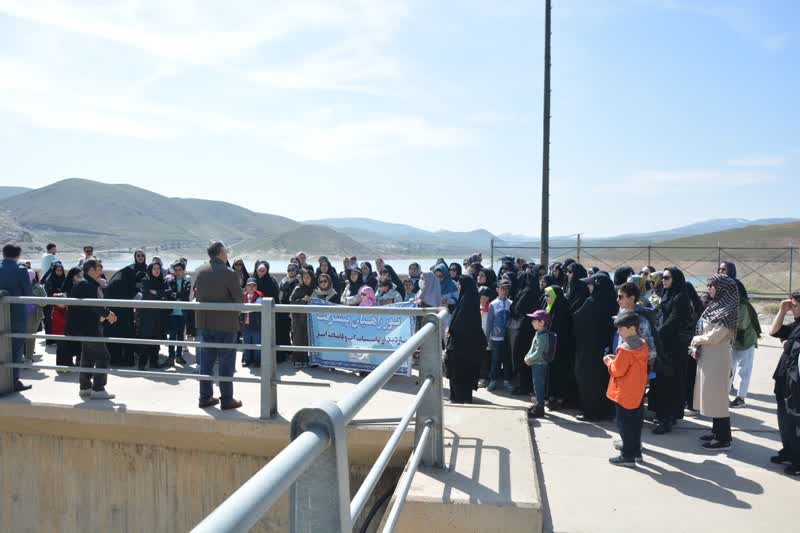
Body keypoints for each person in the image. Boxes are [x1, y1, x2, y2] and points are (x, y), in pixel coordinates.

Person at [193, 241, 245, 410]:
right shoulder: (229, 273)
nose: (227, 254)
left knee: (206, 363)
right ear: (221, 253)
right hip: (226, 325)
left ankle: (205, 397)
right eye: (226, 251)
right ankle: (227, 399)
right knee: (226, 364)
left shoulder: (200, 271)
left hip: (205, 323)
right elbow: (239, 301)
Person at [690, 274, 739, 451]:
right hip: (708, 357)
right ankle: (716, 431)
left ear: (722, 288)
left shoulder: (729, 309)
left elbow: (716, 336)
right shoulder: (715, 306)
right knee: (710, 395)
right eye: (708, 285)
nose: (709, 289)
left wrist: (697, 339)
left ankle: (724, 439)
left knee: (718, 397)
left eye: (712, 286)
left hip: (717, 359)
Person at [650, 267, 695, 434]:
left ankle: (667, 419)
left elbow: (674, 321)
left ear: (675, 279)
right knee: (663, 382)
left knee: (670, 383)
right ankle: (666, 416)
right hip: (665, 346)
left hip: (674, 348)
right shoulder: (668, 294)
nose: (663, 280)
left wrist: (656, 334)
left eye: (667, 278)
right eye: (663, 277)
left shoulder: (681, 297)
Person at [67, 258, 117, 400]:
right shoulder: (86, 284)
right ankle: (98, 389)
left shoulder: (85, 282)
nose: (101, 270)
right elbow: (94, 304)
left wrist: (105, 314)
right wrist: (108, 314)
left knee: (87, 357)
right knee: (103, 356)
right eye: (99, 267)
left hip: (84, 326)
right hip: (88, 327)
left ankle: (85, 388)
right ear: (90, 270)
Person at [605, 312, 649, 467]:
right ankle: (636, 453)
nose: (618, 332)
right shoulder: (642, 344)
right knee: (635, 424)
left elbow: (617, 371)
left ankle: (627, 456)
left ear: (632, 329)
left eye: (621, 329)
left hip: (624, 393)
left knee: (624, 426)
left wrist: (609, 362)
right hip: (637, 391)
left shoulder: (625, 349)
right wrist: (616, 360)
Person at [572, 273, 616, 421]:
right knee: (603, 378)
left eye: (591, 285)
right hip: (606, 348)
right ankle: (604, 410)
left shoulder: (592, 302)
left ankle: (591, 412)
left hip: (589, 349)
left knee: (588, 379)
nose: (589, 287)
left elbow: (578, 318)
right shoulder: (612, 301)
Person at [768, 292, 800, 476]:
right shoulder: (796, 324)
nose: (792, 308)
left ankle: (798, 461)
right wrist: (781, 311)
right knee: (784, 419)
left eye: (795, 305)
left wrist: (788, 344)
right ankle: (789, 451)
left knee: (796, 420)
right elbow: (773, 332)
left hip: (796, 382)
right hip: (784, 377)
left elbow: (792, 347)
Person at [445, 276, 487, 404]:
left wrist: (450, 329)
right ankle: (465, 397)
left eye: (459, 284)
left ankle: (457, 398)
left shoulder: (466, 301)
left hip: (460, 345)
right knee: (467, 370)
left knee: (458, 370)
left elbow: (459, 323)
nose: (457, 286)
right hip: (470, 345)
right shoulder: (470, 299)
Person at [105, 250, 147, 366]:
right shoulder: (129, 272)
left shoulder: (125, 273)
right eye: (138, 255)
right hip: (121, 307)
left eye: (142, 255)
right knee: (126, 330)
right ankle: (127, 359)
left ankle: (120, 358)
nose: (140, 257)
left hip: (119, 306)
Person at [0, 244, 33, 392]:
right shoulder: (20, 270)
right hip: (17, 315)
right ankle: (14, 381)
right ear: (18, 255)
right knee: (16, 348)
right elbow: (28, 294)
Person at [507, 271, 542, 396]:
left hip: (522, 330)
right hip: (531, 329)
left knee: (521, 357)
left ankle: (524, 386)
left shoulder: (526, 293)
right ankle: (526, 385)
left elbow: (517, 308)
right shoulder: (535, 292)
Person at [729, 278, 760, 408]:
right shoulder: (731, 304)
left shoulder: (743, 305)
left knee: (744, 371)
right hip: (734, 341)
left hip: (746, 341)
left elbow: (741, 325)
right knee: (728, 369)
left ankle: (740, 398)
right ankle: (723, 394)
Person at [544, 285, 576, 409]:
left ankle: (559, 398)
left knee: (559, 372)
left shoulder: (562, 309)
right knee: (551, 372)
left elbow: (561, 330)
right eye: (545, 295)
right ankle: (551, 396)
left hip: (561, 348)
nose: (546, 298)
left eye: (548, 295)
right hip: (552, 347)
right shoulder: (550, 308)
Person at [137, 262, 169, 370]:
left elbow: (168, 293)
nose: (156, 270)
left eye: (158, 268)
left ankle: (153, 363)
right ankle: (142, 365)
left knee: (156, 341)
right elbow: (146, 294)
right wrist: (160, 294)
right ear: (150, 270)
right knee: (145, 341)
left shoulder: (163, 281)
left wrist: (156, 293)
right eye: (154, 268)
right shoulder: (145, 280)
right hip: (147, 316)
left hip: (159, 316)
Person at [525, 310, 555, 418]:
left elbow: (539, 352)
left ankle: (539, 409)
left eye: (534, 320)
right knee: (536, 385)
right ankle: (537, 405)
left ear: (542, 322)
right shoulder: (538, 333)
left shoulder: (543, 336)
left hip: (539, 364)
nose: (532, 322)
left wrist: (529, 359)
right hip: (535, 363)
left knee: (539, 386)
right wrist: (527, 356)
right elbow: (532, 348)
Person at [485, 280, 513, 392]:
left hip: (508, 337)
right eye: (502, 288)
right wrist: (487, 338)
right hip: (496, 337)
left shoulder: (511, 303)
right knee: (495, 359)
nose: (504, 291)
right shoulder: (493, 304)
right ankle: (493, 380)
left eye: (507, 288)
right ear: (497, 290)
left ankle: (507, 381)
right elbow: (489, 322)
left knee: (507, 360)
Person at [54, 267, 83, 368]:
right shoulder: (66, 288)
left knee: (79, 341)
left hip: (78, 318)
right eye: (79, 275)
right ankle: (65, 365)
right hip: (67, 319)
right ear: (72, 276)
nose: (81, 277)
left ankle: (79, 361)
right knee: (66, 343)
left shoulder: (82, 286)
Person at [166, 261, 191, 366]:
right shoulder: (170, 281)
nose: (177, 272)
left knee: (181, 335)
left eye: (180, 270)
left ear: (184, 270)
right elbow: (169, 294)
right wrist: (177, 295)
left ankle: (179, 356)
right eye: (175, 270)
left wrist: (175, 294)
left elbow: (186, 295)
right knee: (172, 336)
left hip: (183, 313)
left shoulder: (187, 282)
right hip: (172, 313)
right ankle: (171, 357)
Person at [289, 269, 316, 366]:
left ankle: (307, 360)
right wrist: (303, 300)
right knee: (298, 339)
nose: (306, 280)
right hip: (298, 318)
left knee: (307, 339)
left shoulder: (315, 289)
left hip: (311, 319)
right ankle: (297, 360)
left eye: (308, 277)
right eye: (304, 278)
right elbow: (291, 302)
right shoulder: (298, 288)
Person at [24, 270, 47, 362]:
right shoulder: (21, 285)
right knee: (21, 336)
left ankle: (28, 358)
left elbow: (45, 302)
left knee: (30, 337)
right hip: (22, 313)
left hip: (34, 314)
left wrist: (34, 301)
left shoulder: (39, 287)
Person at [241, 278, 263, 368]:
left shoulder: (260, 295)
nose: (251, 287)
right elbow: (240, 309)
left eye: (253, 285)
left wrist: (244, 308)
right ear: (246, 287)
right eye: (249, 285)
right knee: (246, 344)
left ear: (256, 287)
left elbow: (255, 307)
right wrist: (245, 308)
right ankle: (247, 360)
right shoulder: (242, 295)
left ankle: (257, 361)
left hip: (256, 324)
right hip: (245, 324)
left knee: (257, 344)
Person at [478, 286, 493, 387]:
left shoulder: (491, 309)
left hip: (488, 337)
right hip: (478, 336)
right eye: (481, 297)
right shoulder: (477, 307)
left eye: (485, 297)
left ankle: (484, 378)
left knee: (486, 358)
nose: (482, 300)